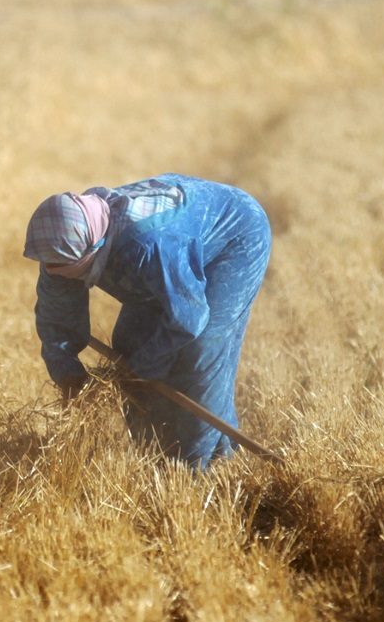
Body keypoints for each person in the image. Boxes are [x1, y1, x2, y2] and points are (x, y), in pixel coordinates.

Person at [22, 174, 272, 468]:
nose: (52, 271)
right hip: (169, 255)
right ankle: (151, 452)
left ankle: (203, 467)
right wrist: (68, 375)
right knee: (129, 344)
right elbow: (57, 315)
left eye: (61, 267)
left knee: (201, 351)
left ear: (93, 249)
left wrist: (143, 368)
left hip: (235, 235)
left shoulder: (146, 245)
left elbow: (188, 318)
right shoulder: (62, 246)